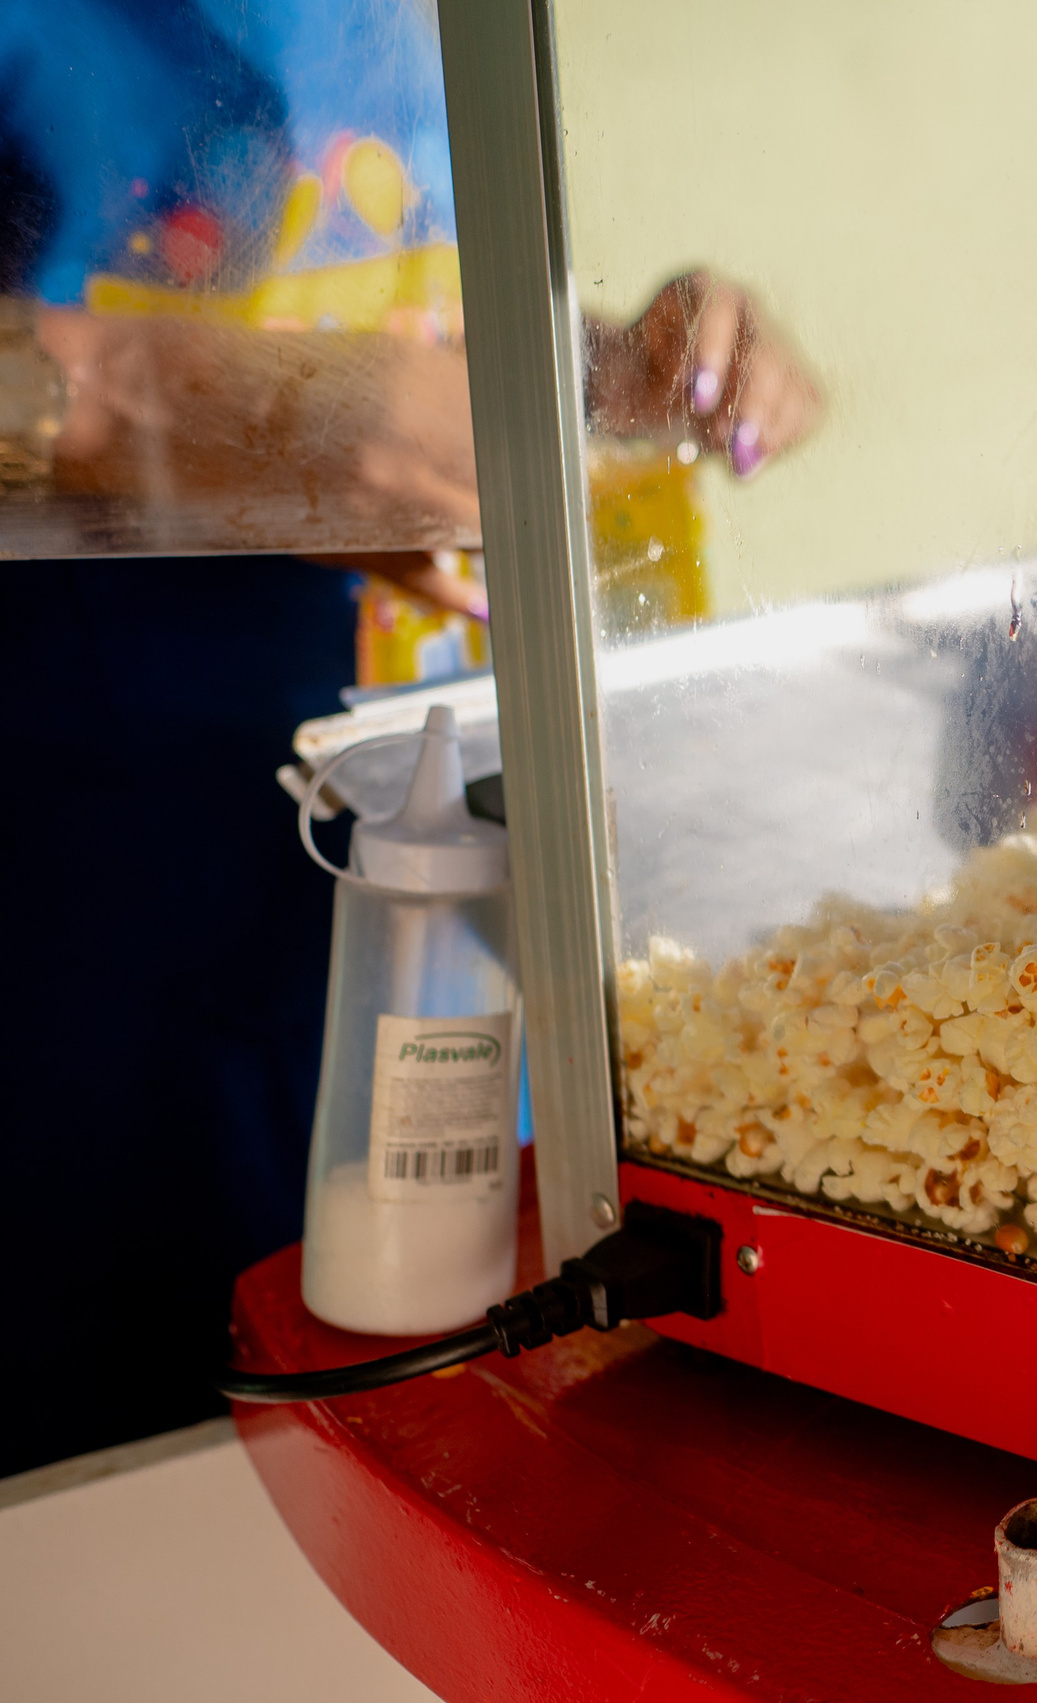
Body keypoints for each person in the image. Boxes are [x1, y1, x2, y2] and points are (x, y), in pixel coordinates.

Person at [0, 0, 817, 1476]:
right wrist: (199, 409)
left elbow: (392, 317)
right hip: (112, 915)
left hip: (437, 921)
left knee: (472, 1430)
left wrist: (606, 372)